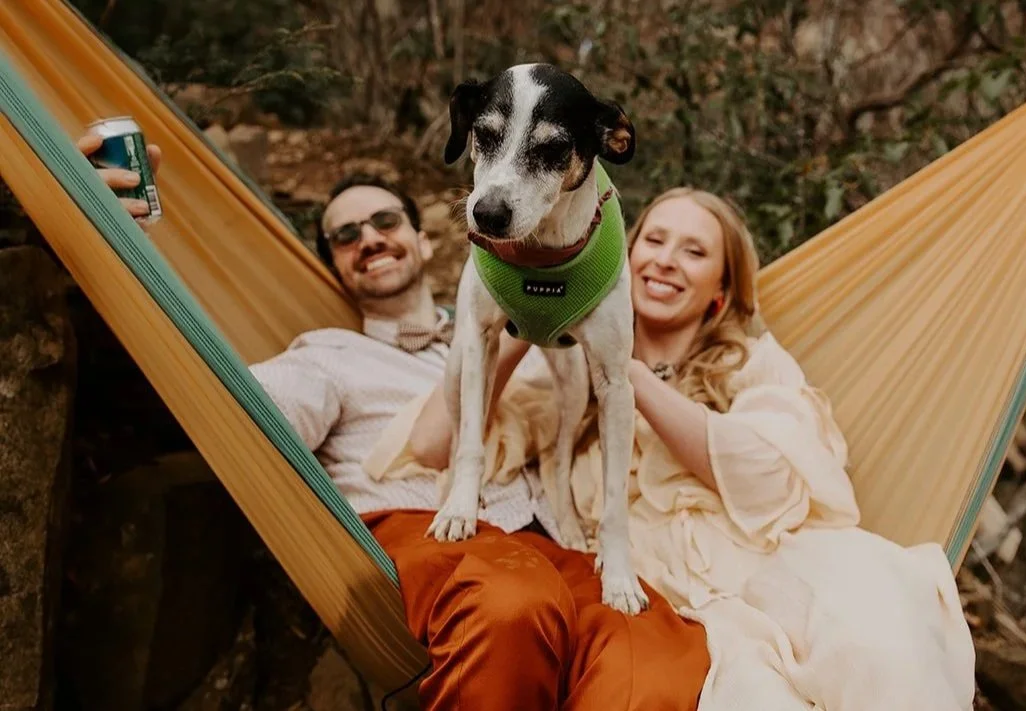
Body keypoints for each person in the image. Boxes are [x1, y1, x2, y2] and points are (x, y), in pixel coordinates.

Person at [78, 132, 710, 711]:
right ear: (333, 264)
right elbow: (228, 414)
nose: (369, 239)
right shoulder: (327, 354)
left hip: (548, 540)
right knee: (514, 607)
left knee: (656, 646)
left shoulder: (544, 343)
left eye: (384, 221)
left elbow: (623, 379)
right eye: (345, 236)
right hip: (430, 539)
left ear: (425, 239)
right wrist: (122, 252)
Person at [374, 187, 977, 710]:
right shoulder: (562, 376)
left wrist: (624, 370)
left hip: (787, 569)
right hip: (681, 615)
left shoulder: (751, 365)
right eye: (654, 241)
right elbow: (433, 443)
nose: (665, 261)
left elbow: (773, 482)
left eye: (694, 251)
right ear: (619, 255)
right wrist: (524, 313)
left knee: (880, 653)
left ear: (720, 289)